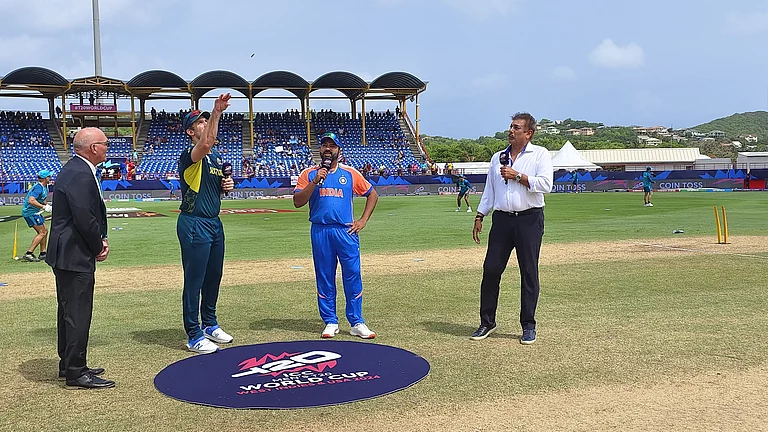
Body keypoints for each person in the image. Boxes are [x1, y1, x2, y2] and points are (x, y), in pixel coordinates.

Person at [471, 113, 553, 345]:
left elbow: (546, 185)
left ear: (529, 133)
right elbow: (490, 190)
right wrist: (480, 214)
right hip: (502, 220)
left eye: (516, 127)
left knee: (529, 272)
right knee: (491, 269)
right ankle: (487, 322)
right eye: (510, 126)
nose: (511, 130)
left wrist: (518, 176)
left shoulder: (540, 154)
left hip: (529, 219)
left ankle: (528, 325)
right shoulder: (499, 157)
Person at [45, 127, 114, 389]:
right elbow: (85, 217)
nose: (108, 147)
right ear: (94, 148)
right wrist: (99, 245)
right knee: (77, 312)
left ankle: (69, 363)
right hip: (74, 253)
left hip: (67, 252)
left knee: (68, 311)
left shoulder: (76, 170)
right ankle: (76, 371)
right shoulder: (80, 174)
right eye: (105, 143)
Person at [293, 132, 379, 339]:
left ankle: (357, 322)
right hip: (321, 231)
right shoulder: (308, 173)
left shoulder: (350, 173)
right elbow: (297, 201)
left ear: (339, 151)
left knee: (352, 275)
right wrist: (314, 181)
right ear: (320, 150)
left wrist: (363, 221)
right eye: (324, 145)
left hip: (345, 231)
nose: (328, 149)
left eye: (332, 145)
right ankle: (330, 321)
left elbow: (372, 194)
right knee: (325, 277)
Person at [177, 94, 235, 355]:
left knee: (214, 277)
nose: (204, 124)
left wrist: (226, 187)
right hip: (194, 223)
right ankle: (193, 333)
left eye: (205, 121)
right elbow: (208, 140)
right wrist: (216, 112)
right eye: (199, 122)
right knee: (195, 280)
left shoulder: (214, 158)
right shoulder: (190, 156)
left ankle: (210, 323)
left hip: (213, 222)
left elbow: (214, 190)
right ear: (191, 131)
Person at [20, 170, 53, 262]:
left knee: (45, 231)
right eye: (49, 177)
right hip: (30, 213)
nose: (50, 178)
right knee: (42, 232)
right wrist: (44, 207)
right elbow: (31, 200)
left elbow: (41, 199)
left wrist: (47, 205)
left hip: (35, 212)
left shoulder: (44, 187)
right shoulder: (38, 188)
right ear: (45, 178)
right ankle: (29, 253)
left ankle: (43, 253)